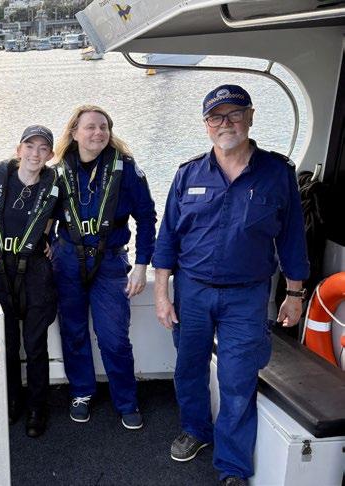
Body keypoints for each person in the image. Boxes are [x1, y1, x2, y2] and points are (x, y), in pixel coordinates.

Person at [152, 85, 308, 486]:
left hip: (247, 295)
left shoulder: (277, 173)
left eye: (235, 114)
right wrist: (162, 294)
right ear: (206, 124)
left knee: (238, 380)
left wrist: (294, 294)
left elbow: (292, 238)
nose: (226, 124)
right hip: (192, 291)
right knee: (189, 369)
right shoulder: (188, 174)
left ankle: (233, 467)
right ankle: (196, 430)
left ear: (250, 117)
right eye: (216, 117)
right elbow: (167, 238)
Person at [51, 105, 157, 428]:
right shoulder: (58, 171)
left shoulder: (126, 169)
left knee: (114, 337)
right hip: (68, 259)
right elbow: (38, 207)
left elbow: (146, 217)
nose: (98, 133)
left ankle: (126, 399)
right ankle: (81, 391)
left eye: (104, 127)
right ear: (74, 132)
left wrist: (142, 264)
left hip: (110, 260)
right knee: (73, 331)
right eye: (90, 127)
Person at [0, 125, 60, 438]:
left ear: (50, 155)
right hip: (0, 269)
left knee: (35, 343)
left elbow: (66, 219)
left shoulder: (54, 185)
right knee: (7, 343)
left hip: (35, 271)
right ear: (19, 150)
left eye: (43, 148)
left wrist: (50, 239)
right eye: (30, 146)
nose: (35, 153)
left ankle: (37, 406)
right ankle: (12, 399)